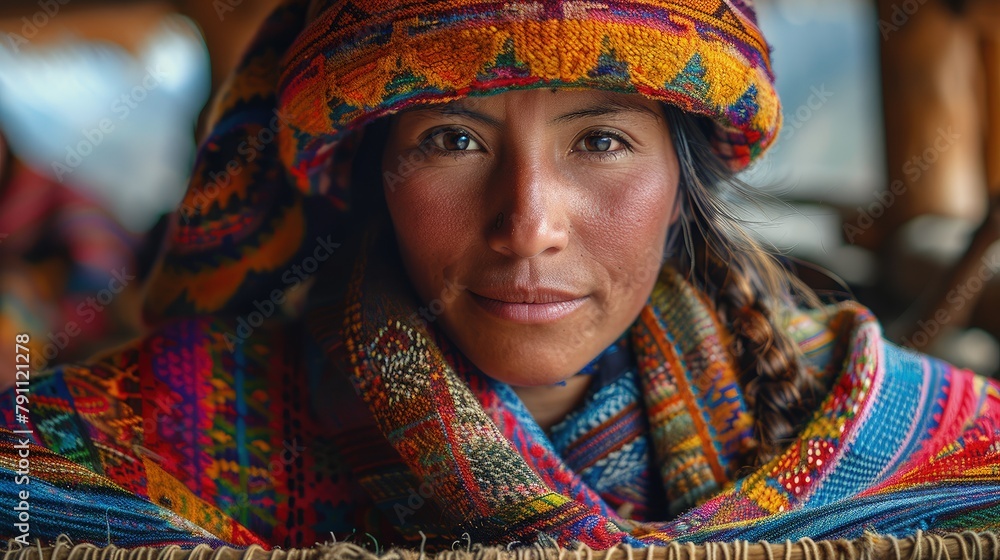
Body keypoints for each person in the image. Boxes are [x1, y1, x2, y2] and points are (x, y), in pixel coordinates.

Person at [2, 0, 1000, 551]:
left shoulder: (866, 424)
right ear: (367, 173)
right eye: (452, 138)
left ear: (683, 180)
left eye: (600, 139)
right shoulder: (154, 434)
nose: (527, 226)